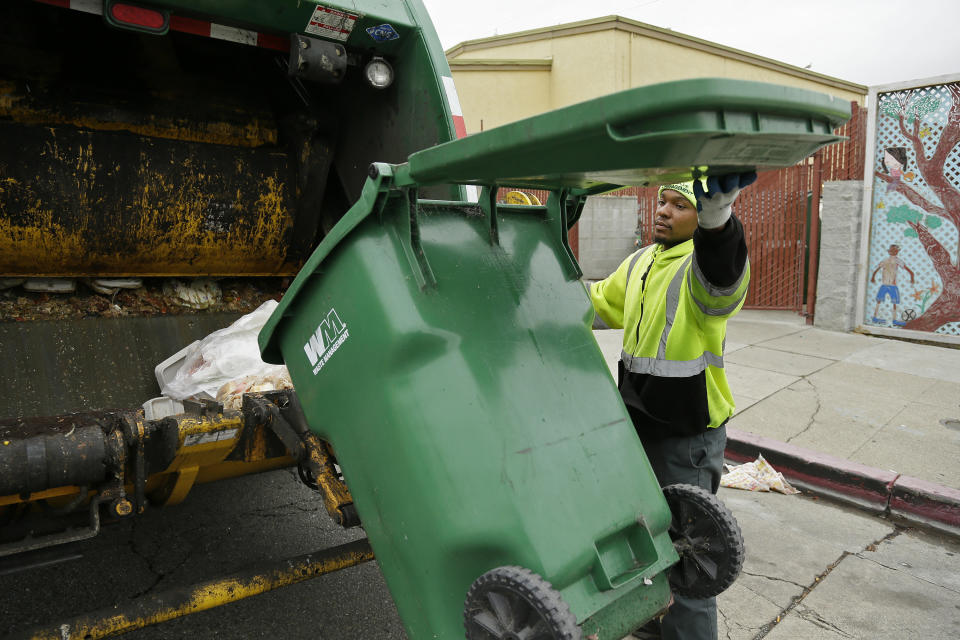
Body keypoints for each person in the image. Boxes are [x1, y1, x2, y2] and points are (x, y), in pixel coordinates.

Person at [589, 172, 756, 640]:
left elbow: (723, 279)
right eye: (661, 202)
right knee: (645, 549)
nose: (662, 211)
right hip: (640, 428)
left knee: (688, 567)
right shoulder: (643, 261)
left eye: (679, 205)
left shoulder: (702, 269)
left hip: (687, 438)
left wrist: (717, 220)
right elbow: (598, 304)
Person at [871, 243, 915, 326]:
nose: (894, 252)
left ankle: (893, 319)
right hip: (886, 284)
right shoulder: (886, 261)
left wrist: (912, 276)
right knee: (880, 300)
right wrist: (873, 276)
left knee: (893, 302)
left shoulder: (897, 260)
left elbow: (908, 269)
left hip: (891, 284)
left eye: (895, 251)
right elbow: (877, 269)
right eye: (893, 251)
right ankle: (875, 317)